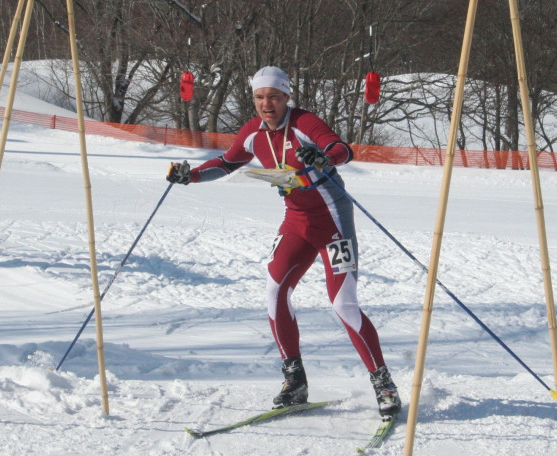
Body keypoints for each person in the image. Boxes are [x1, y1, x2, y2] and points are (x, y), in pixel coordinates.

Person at [166, 65, 401, 418]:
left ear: (286, 97)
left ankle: (383, 384)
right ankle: (295, 381)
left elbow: (342, 149)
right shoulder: (253, 132)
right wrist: (191, 176)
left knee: (343, 304)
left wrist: (323, 157)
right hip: (296, 222)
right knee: (275, 290)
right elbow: (228, 163)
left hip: (333, 221)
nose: (266, 104)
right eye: (260, 97)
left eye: (273, 96)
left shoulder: (304, 122)